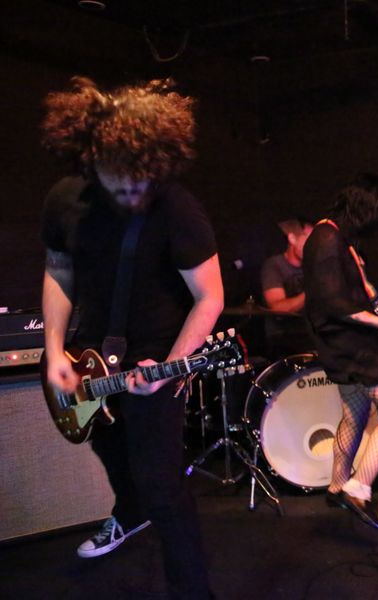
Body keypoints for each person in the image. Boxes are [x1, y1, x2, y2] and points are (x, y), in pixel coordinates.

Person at [40, 77, 222, 599]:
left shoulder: (177, 207)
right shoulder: (65, 200)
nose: (135, 193)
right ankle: (129, 510)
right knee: (105, 445)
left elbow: (209, 296)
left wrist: (171, 366)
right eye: (123, 183)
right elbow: (58, 271)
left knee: (162, 484)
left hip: (154, 358)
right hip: (87, 356)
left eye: (144, 181)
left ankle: (193, 591)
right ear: (92, 160)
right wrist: (54, 350)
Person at [302, 173, 378, 531]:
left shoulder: (339, 239)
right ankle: (358, 490)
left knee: (355, 415)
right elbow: (334, 304)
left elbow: (361, 295)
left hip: (345, 344)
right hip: (350, 346)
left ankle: (337, 486)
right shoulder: (325, 240)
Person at [259, 217, 315, 356]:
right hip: (282, 338)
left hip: (310, 335)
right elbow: (277, 308)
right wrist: (313, 290)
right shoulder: (274, 265)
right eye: (309, 239)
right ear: (292, 238)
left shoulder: (313, 265)